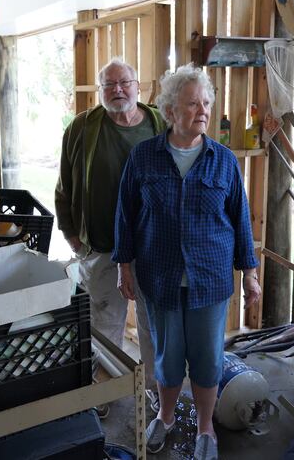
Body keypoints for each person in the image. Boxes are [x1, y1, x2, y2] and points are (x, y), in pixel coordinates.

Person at [112, 63, 260, 459]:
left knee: (208, 357)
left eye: (206, 102)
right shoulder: (143, 158)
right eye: (192, 103)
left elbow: (240, 220)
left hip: (210, 280)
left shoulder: (224, 161)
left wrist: (250, 274)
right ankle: (166, 416)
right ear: (171, 111)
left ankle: (206, 428)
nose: (203, 110)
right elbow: (125, 216)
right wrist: (123, 266)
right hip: (159, 277)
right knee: (168, 356)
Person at [55, 58, 167, 415]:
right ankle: (103, 393)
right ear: (100, 91)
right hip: (101, 246)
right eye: (109, 85)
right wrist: (72, 235)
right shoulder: (82, 128)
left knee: (153, 328)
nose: (118, 90)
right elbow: (64, 186)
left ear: (138, 85)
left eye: (125, 82)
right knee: (103, 324)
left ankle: (153, 391)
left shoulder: (158, 123)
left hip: (152, 249)